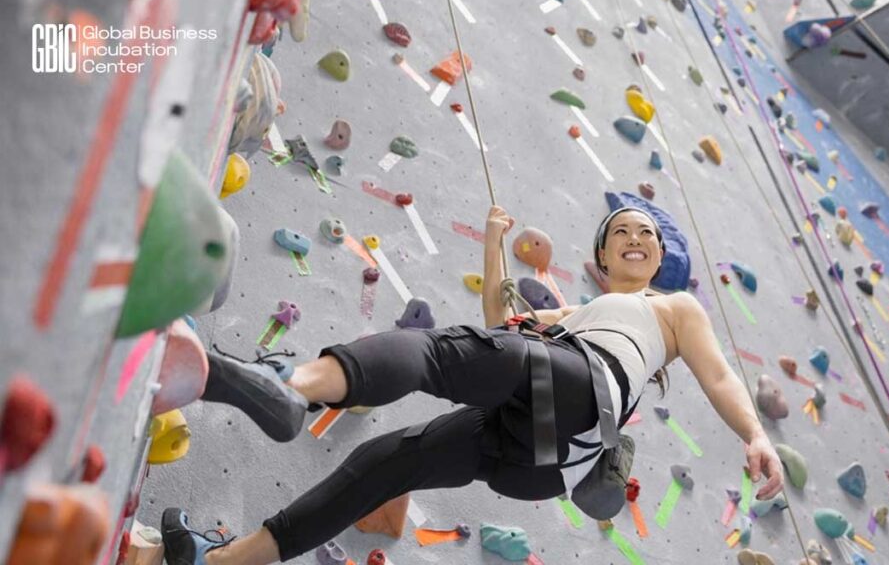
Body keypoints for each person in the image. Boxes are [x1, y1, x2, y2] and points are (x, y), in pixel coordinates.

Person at [162, 205, 784, 564]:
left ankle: (292, 384)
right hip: (542, 460)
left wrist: (754, 433)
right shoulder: (576, 317)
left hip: (581, 394)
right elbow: (500, 327)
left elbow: (721, 376)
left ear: (656, 260)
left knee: (438, 353)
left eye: (646, 233)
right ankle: (221, 563)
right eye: (621, 230)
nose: (636, 238)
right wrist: (492, 241)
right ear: (600, 255)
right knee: (387, 461)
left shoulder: (673, 309)